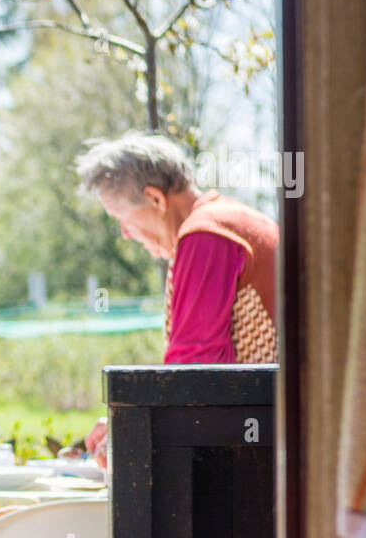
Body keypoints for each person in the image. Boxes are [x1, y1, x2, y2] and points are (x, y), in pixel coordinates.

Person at [75, 131, 278, 467]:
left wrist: (129, 431)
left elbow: (193, 379)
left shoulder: (206, 235)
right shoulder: (231, 220)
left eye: (120, 218)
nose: (125, 234)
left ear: (155, 199)